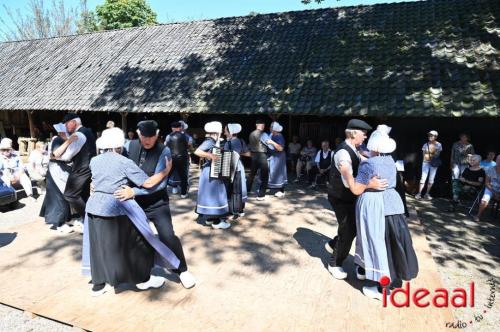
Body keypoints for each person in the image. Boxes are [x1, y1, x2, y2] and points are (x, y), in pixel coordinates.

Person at [86, 127, 175, 296]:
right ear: (120, 144)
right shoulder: (124, 162)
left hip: (95, 207)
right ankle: (142, 279)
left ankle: (98, 285)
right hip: (117, 207)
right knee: (137, 243)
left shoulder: (94, 160)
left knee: (99, 246)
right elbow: (148, 183)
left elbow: (94, 182)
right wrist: (165, 171)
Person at [339, 125, 418, 300]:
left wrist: (348, 173)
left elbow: (357, 189)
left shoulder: (367, 164)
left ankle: (383, 288)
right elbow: (377, 163)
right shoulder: (390, 160)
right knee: (392, 244)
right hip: (394, 205)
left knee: (376, 243)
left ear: (373, 146)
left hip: (375, 206)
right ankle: (387, 277)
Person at [113, 120, 196, 289]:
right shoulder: (130, 146)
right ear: (138, 133)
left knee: (167, 236)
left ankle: (182, 270)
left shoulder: (164, 151)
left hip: (157, 203)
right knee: (136, 238)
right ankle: (143, 274)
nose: (147, 140)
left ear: (157, 134)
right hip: (134, 204)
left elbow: (160, 184)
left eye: (151, 136)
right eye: (144, 136)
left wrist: (134, 191)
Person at [325, 119, 384, 280]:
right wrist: (370, 183)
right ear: (354, 133)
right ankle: (335, 264)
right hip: (340, 197)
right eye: (364, 134)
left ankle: (333, 244)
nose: (365, 137)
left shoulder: (354, 148)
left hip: (349, 196)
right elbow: (353, 186)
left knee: (353, 227)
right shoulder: (343, 154)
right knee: (349, 230)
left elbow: (364, 160)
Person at [61, 114, 96, 232]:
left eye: (66, 123)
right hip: (89, 167)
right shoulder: (88, 131)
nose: (65, 126)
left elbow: (67, 156)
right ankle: (88, 220)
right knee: (84, 195)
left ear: (74, 122)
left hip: (81, 168)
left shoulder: (78, 134)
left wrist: (56, 155)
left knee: (70, 194)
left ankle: (89, 219)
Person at [194, 121, 231, 229]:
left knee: (212, 196)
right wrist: (210, 155)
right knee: (215, 195)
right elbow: (197, 151)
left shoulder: (212, 140)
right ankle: (217, 221)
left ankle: (210, 219)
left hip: (211, 171)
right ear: (217, 131)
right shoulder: (210, 141)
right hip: (210, 171)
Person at [39, 124, 74, 233]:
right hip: (56, 173)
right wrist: (69, 142)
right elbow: (55, 154)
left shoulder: (62, 140)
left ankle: (66, 219)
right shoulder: (58, 140)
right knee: (58, 198)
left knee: (64, 197)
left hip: (63, 172)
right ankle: (59, 223)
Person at [224, 123, 251, 218]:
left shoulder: (229, 143)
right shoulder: (241, 141)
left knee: (233, 188)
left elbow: (227, 156)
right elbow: (248, 154)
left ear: (230, 132)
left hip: (231, 167)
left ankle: (233, 211)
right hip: (240, 166)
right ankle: (240, 210)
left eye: (226, 130)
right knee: (240, 187)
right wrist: (239, 153)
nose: (224, 132)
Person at [0, 138, 35, 202]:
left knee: (24, 177)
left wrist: (18, 175)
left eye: (7, 149)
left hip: (17, 173)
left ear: (10, 149)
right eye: (3, 150)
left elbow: (22, 167)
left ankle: (30, 195)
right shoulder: (0, 158)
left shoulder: (16, 156)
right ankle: (10, 198)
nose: (5, 151)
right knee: (5, 179)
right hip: (5, 174)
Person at [165, 121, 190, 198]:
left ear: (172, 128)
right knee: (183, 176)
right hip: (182, 158)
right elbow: (187, 145)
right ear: (179, 128)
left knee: (167, 175)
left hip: (171, 158)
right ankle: (183, 193)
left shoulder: (168, 136)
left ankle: (162, 191)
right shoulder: (184, 136)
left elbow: (165, 146)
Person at [415, 130, 442, 199]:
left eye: (432, 135)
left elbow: (437, 154)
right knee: (423, 178)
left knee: (431, 179)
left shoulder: (439, 144)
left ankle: (427, 194)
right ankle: (419, 193)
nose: (430, 136)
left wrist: (430, 152)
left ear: (435, 137)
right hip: (425, 162)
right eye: (429, 135)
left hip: (434, 163)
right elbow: (423, 154)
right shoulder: (425, 144)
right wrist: (427, 158)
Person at [247, 119, 269, 201]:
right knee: (265, 175)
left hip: (253, 154)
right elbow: (267, 143)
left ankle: (247, 190)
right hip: (262, 154)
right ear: (261, 125)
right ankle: (261, 195)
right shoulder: (263, 134)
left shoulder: (251, 133)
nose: (263, 127)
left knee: (252, 174)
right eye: (263, 125)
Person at [475, 155, 500, 221]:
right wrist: (495, 193)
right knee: (484, 199)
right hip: (490, 188)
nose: (499, 162)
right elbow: (487, 183)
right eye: (498, 160)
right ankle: (478, 215)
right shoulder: (490, 169)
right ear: (496, 160)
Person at [266, 122, 287, 197]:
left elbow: (280, 148)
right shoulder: (271, 134)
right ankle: (271, 188)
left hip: (279, 157)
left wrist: (272, 142)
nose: (270, 128)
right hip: (273, 156)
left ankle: (282, 190)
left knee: (279, 173)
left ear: (274, 129)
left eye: (271, 127)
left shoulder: (279, 136)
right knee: (271, 172)